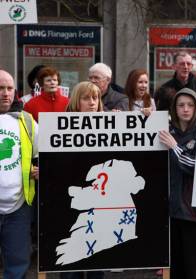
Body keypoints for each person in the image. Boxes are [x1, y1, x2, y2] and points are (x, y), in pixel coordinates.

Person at [159, 88, 196, 279]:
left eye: (190, 105)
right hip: (170, 212)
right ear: (174, 108)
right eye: (181, 105)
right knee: (176, 268)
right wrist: (146, 115)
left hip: (194, 213)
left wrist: (175, 148)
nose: (186, 109)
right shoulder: (168, 131)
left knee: (194, 269)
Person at [60, 81, 105, 279]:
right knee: (71, 266)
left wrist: (145, 117)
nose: (92, 102)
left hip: (101, 205)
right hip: (70, 205)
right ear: (77, 102)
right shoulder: (59, 127)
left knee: (97, 264)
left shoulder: (112, 126)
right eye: (86, 98)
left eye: (95, 98)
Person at [0, 69, 39, 279]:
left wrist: (40, 169)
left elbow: (47, 155)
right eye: (0, 88)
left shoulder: (27, 121)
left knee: (17, 271)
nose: (5, 93)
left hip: (18, 209)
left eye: (9, 88)